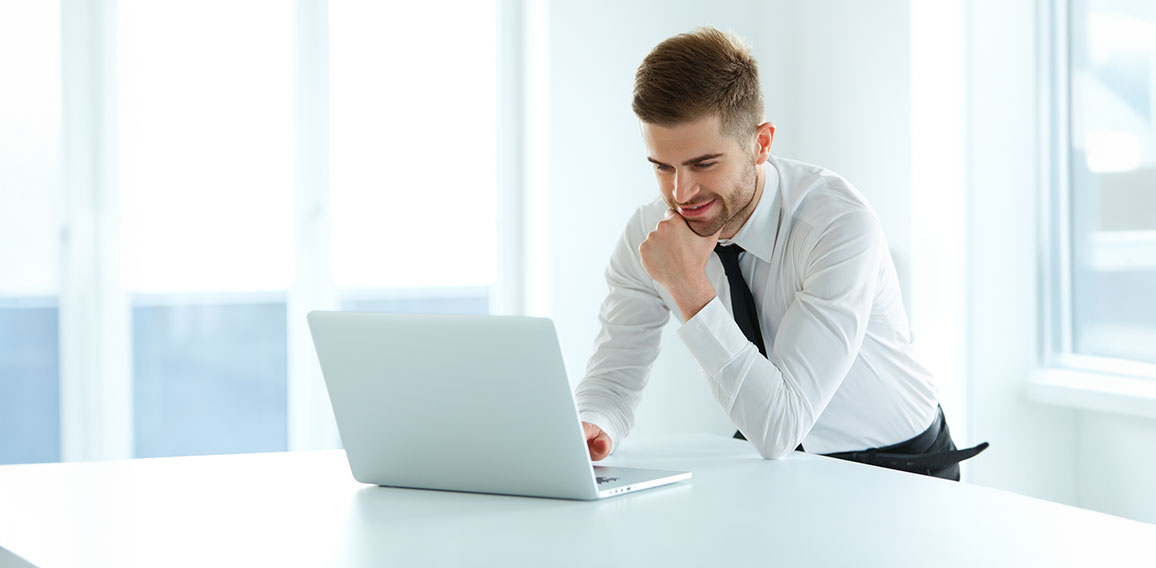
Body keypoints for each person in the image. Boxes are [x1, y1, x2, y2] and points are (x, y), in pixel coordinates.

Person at [573, 27, 985, 481]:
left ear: (761, 143)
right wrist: (594, 422)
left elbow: (780, 424)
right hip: (769, 459)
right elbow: (613, 378)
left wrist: (688, 287)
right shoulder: (651, 234)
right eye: (662, 167)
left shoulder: (836, 225)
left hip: (899, 466)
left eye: (703, 164)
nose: (680, 192)